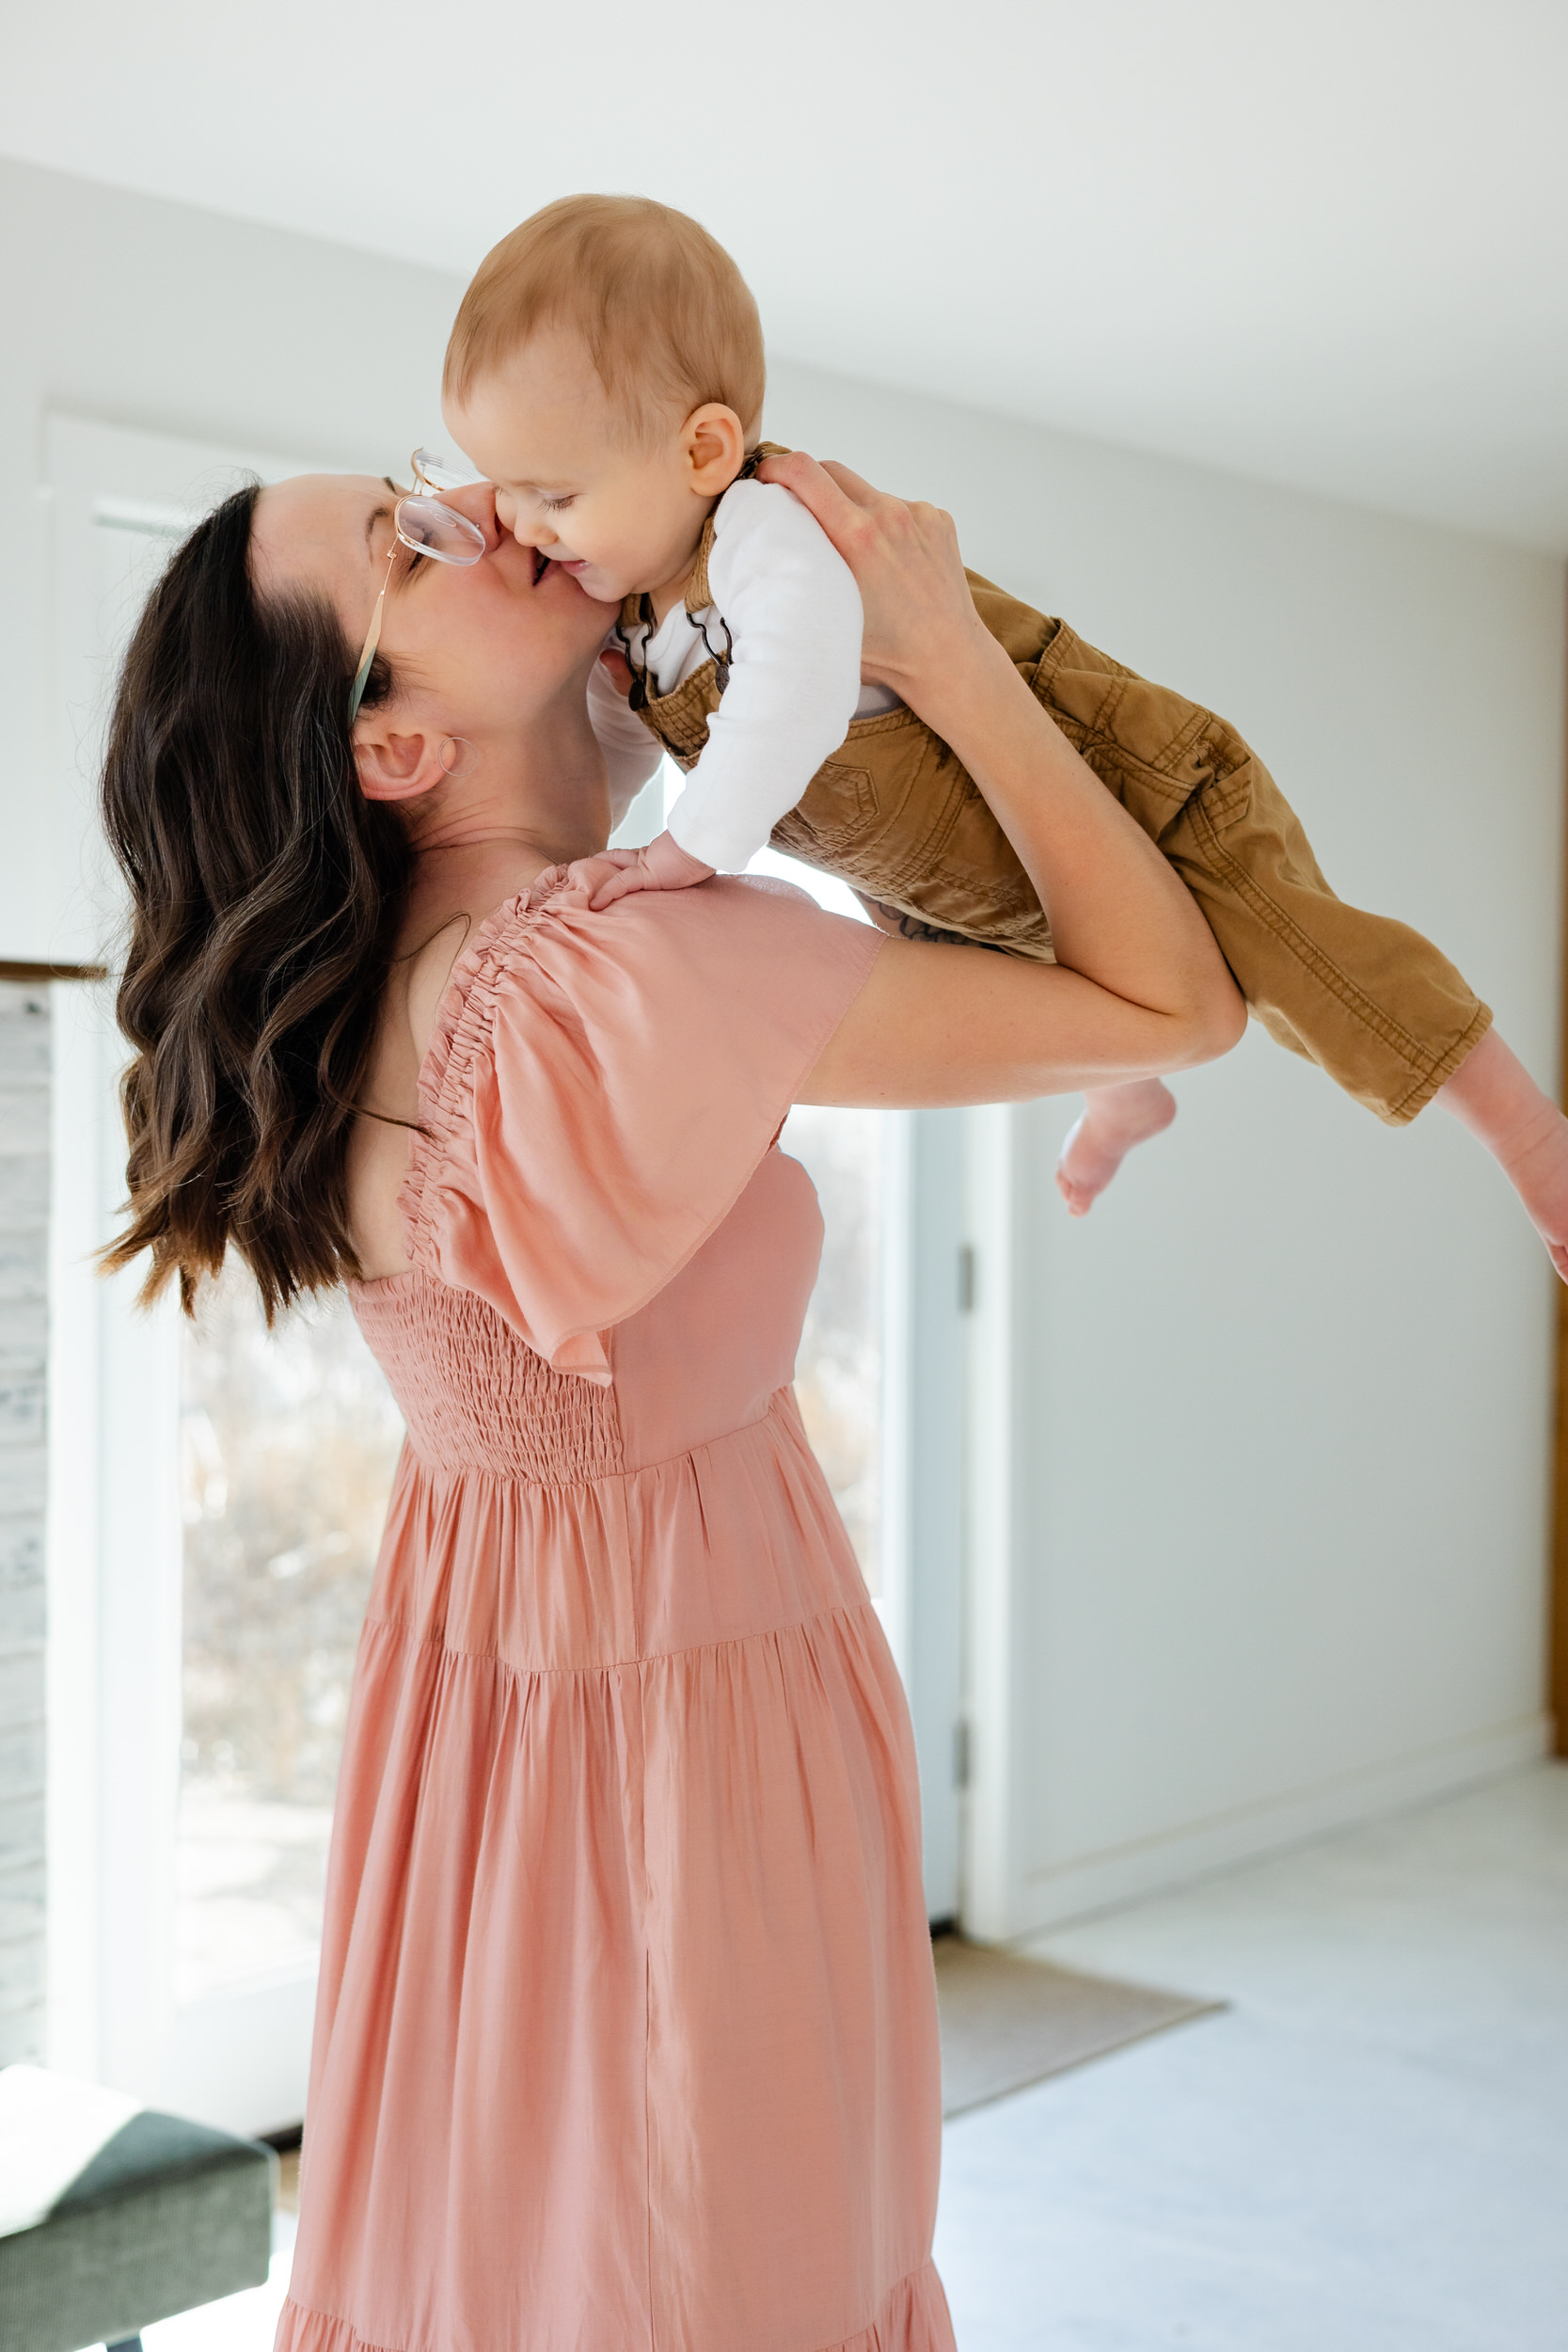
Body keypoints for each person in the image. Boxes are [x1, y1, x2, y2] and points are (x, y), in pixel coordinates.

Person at [99, 437, 1239, 2350]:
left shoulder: (406, 979)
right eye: (412, 540)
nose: (478, 505)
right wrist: (950, 656)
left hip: (478, 1707)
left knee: (522, 2257)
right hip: (678, 1706)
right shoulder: (595, 981)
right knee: (705, 2257)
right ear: (389, 746)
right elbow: (1172, 1003)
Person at [441, 193, 1568, 1272]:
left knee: (1311, 963)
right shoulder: (630, 628)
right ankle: (1123, 1089)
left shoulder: (762, 530)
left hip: (1135, 797)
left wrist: (686, 851)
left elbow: (790, 681)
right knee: (1019, 994)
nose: (526, 527)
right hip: (946, 880)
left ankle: (1525, 1135)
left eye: (553, 493)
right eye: (508, 492)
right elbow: (618, 745)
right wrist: (587, 859)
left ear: (701, 451)